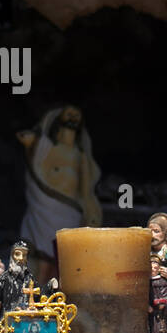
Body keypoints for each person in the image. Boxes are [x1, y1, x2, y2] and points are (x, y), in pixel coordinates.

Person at [17, 105, 102, 273]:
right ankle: (36, 295)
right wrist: (32, 141)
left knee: (64, 261)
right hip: (44, 207)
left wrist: (90, 211)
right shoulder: (44, 146)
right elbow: (23, 138)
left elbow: (86, 190)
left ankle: (60, 294)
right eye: (69, 114)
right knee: (42, 260)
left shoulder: (80, 155)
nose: (73, 118)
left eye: (77, 115)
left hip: (69, 211)